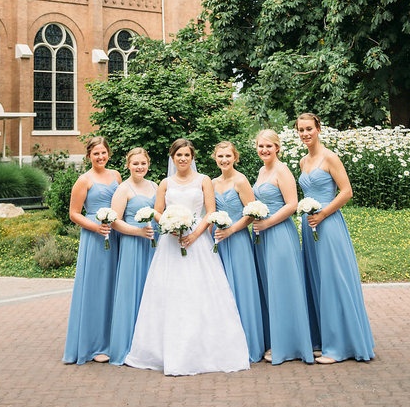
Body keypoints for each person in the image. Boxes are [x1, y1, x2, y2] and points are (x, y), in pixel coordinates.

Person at [125, 138, 250, 375]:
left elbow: (210, 211)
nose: (183, 159)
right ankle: (163, 351)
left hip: (198, 242)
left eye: (187, 155)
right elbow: (157, 211)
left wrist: (195, 235)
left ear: (192, 158)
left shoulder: (204, 181)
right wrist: (169, 226)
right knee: (170, 294)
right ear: (173, 158)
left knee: (200, 293)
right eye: (179, 155)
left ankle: (205, 351)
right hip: (170, 244)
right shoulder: (165, 183)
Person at [297, 112, 375, 364]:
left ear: (318, 128)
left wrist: (323, 214)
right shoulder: (302, 162)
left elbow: (346, 191)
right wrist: (311, 217)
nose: (305, 134)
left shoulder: (329, 157)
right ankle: (322, 340)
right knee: (315, 279)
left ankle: (340, 346)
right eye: (301, 130)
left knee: (333, 280)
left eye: (309, 128)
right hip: (309, 227)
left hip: (328, 224)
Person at [252, 128, 314, 365]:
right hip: (262, 236)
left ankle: (289, 344)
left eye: (269, 146)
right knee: (270, 287)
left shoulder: (282, 170)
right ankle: (275, 339)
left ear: (277, 147)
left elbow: (291, 204)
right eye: (261, 146)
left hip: (279, 233)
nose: (264, 150)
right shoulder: (261, 170)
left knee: (283, 286)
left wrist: (266, 223)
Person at [62, 136, 121, 365]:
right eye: (96, 153)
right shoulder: (83, 180)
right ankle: (94, 344)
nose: (100, 157)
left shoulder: (116, 176)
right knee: (95, 288)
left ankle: (112, 340)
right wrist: (96, 227)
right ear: (89, 156)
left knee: (113, 286)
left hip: (115, 235)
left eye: (103, 152)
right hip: (94, 237)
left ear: (109, 154)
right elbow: (74, 213)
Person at [211, 140, 265, 363]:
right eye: (220, 156)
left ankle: (248, 344)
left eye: (228, 156)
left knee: (241, 289)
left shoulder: (241, 181)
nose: (224, 160)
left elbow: (252, 213)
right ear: (215, 158)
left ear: (235, 157)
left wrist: (231, 229)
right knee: (221, 291)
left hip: (238, 239)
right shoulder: (211, 183)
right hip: (218, 242)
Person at [108, 147, 158, 366]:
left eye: (143, 163)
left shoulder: (155, 187)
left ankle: (149, 346)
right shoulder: (123, 189)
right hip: (132, 245)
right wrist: (138, 231)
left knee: (152, 293)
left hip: (153, 246)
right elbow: (114, 220)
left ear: (148, 164)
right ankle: (126, 345)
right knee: (131, 292)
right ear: (128, 165)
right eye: (135, 163)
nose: (140, 167)